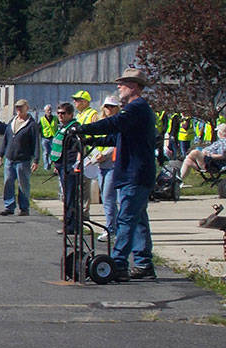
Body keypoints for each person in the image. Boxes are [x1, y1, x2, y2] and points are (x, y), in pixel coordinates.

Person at [77, 69, 157, 280]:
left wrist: (84, 130)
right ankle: (143, 264)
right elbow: (117, 137)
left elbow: (114, 124)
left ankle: (119, 264)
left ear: (133, 86)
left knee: (126, 220)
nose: (118, 87)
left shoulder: (136, 108)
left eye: (122, 84)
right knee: (138, 220)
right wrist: (92, 140)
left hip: (135, 174)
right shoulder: (134, 110)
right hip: (133, 174)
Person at [83, 96, 120, 234]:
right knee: (105, 197)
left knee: (109, 197)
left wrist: (105, 155)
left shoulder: (118, 123)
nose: (109, 109)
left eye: (112, 106)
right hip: (100, 164)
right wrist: (95, 156)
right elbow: (97, 142)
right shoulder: (101, 122)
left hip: (112, 164)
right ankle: (113, 226)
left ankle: (111, 229)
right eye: (107, 106)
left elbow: (114, 142)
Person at [0, 98, 39, 216]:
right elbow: (6, 139)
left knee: (23, 184)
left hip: (23, 159)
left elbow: (36, 143)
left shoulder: (31, 124)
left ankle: (24, 208)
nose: (18, 109)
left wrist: (36, 160)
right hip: (10, 158)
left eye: (21, 107)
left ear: (27, 108)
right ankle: (9, 206)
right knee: (8, 182)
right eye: (17, 107)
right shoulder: (12, 122)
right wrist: (0, 154)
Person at [48, 101, 82, 235]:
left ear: (70, 114)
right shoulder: (62, 127)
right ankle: (70, 224)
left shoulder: (74, 127)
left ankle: (70, 226)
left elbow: (80, 146)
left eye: (63, 113)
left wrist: (77, 164)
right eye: (59, 113)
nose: (60, 116)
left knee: (70, 197)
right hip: (61, 165)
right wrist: (56, 164)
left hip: (70, 166)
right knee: (66, 196)